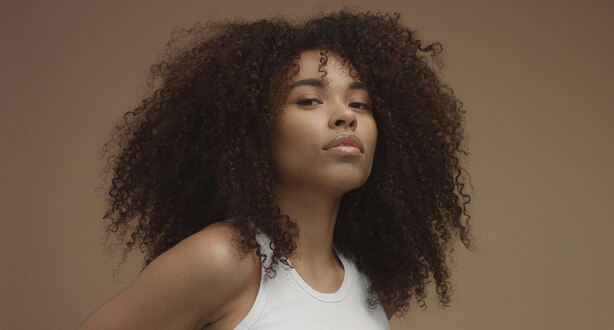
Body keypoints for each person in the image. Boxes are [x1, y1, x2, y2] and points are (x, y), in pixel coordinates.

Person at [81, 10, 472, 329]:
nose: (344, 117)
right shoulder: (225, 258)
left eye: (359, 104)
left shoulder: (371, 287)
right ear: (254, 131)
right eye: (308, 100)